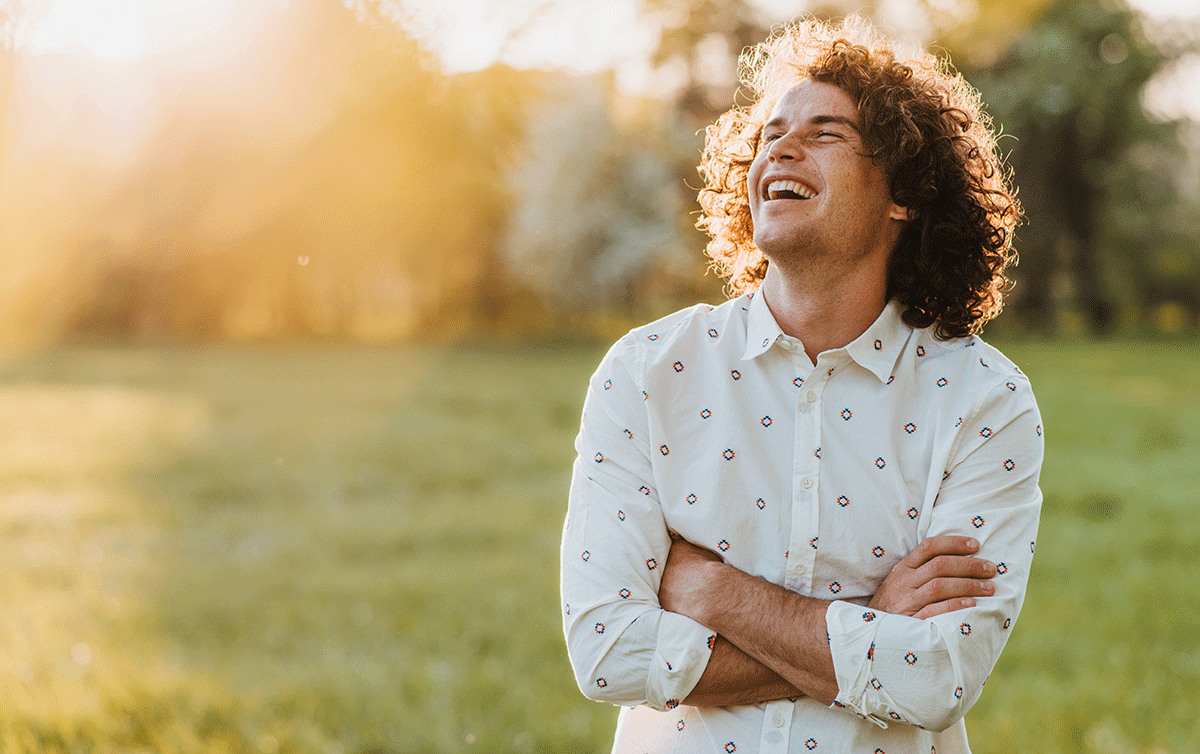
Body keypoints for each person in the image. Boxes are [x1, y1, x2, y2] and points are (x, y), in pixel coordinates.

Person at [560, 16, 1042, 754]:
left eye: (825, 133)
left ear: (903, 194)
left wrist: (716, 595)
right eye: (769, 134)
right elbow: (606, 651)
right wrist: (870, 621)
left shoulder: (985, 400)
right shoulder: (647, 370)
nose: (779, 148)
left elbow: (937, 679)